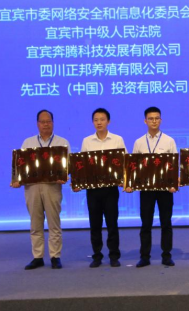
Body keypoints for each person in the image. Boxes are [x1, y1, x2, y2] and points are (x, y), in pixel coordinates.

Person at [13, 110, 69, 270]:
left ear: (53, 123)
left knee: (54, 223)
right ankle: (37, 257)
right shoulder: (28, 142)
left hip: (52, 187)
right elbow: (20, 165)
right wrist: (17, 180)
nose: (46, 124)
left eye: (48, 121)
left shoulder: (62, 142)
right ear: (37, 124)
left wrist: (64, 175)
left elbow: (68, 165)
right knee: (35, 223)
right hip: (32, 187)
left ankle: (55, 256)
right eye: (42, 121)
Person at [76, 108, 126, 268]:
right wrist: (78, 182)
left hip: (111, 189)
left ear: (108, 121)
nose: (99, 122)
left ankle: (114, 255)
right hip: (93, 190)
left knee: (112, 223)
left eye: (102, 119)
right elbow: (82, 165)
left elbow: (124, 163)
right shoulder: (87, 141)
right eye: (96, 120)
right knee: (95, 224)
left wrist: (124, 180)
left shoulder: (117, 139)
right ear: (93, 122)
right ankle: (97, 256)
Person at [128, 107, 177, 268]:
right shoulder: (139, 142)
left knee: (166, 223)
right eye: (151, 118)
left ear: (161, 120)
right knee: (146, 223)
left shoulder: (169, 141)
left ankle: (166, 255)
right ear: (145, 121)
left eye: (157, 118)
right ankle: (144, 256)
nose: (154, 121)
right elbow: (133, 167)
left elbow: (174, 166)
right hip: (146, 190)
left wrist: (173, 184)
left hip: (165, 189)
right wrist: (131, 184)